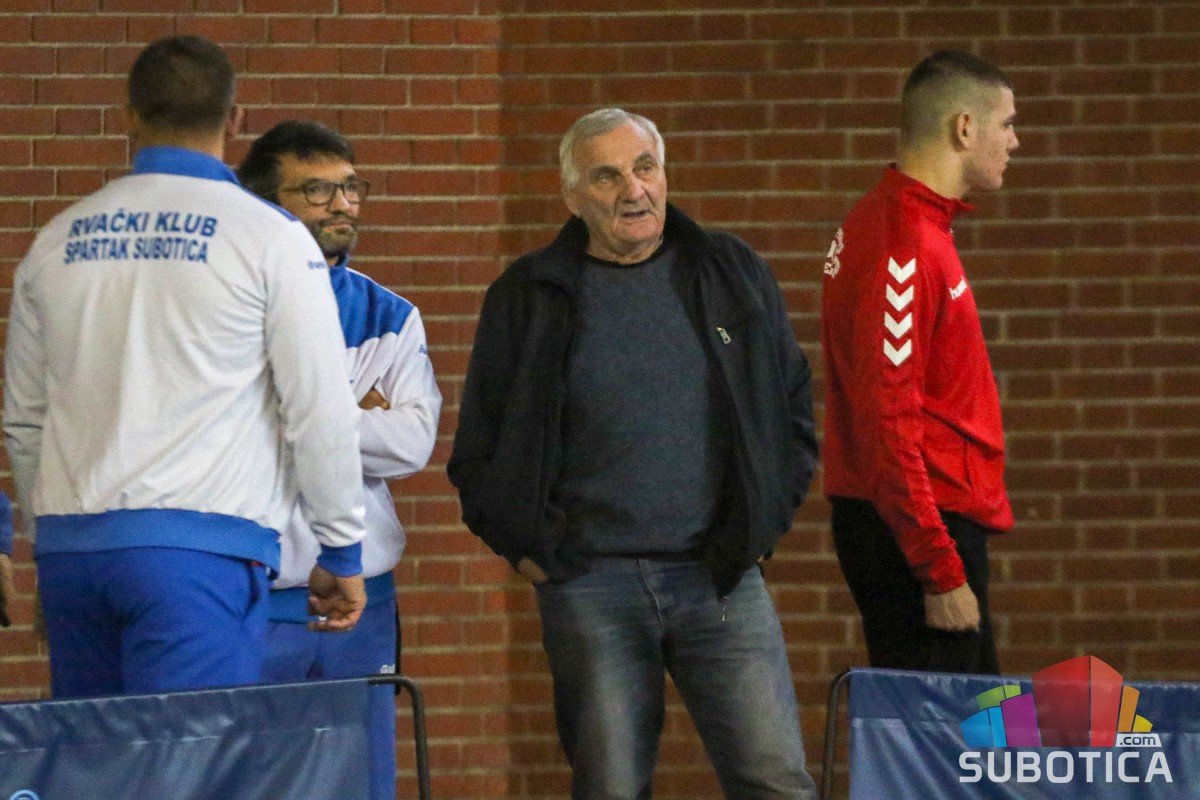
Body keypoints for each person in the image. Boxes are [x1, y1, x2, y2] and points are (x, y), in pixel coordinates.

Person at [449, 107, 820, 799]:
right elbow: (479, 449)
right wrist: (529, 551)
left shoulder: (730, 271)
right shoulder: (527, 296)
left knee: (775, 780)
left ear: (664, 174)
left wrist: (763, 524)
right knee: (611, 788)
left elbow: (792, 407)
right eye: (607, 176)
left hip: (721, 577)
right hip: (591, 585)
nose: (633, 190)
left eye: (645, 168)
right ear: (572, 197)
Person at [2, 35, 368, 698]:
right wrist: (341, 548)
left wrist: (51, 534)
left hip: (73, 553)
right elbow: (318, 409)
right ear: (235, 118)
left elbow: (25, 421)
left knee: (94, 754)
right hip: (200, 553)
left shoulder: (56, 241)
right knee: (190, 752)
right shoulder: (269, 239)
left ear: (129, 115)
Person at [238, 120, 442, 800]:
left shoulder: (390, 313)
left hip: (363, 599)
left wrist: (300, 417)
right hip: (256, 597)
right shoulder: (229, 310)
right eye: (317, 190)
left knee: (362, 783)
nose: (343, 204)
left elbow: (411, 443)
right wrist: (355, 412)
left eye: (351, 187)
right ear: (265, 204)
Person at [821, 50, 1019, 674]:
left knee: (980, 725)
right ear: (965, 128)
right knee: (968, 733)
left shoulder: (904, 225)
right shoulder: (905, 245)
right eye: (1007, 124)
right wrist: (938, 568)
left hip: (920, 521)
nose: (1014, 141)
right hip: (918, 529)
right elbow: (887, 421)